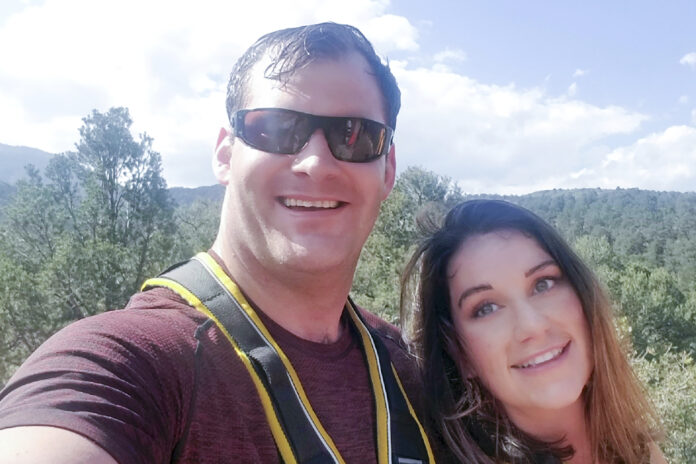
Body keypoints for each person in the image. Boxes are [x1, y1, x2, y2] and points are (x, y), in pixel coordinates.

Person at [0, 23, 435, 464]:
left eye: (354, 134)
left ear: (388, 168)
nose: (315, 163)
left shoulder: (412, 370)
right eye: (278, 129)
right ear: (226, 154)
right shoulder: (130, 361)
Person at [402, 199, 666, 463]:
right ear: (460, 353)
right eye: (487, 308)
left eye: (543, 284)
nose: (532, 326)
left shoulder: (640, 449)